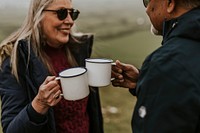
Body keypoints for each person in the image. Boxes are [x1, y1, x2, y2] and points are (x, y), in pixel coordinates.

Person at [0, 0, 103, 133]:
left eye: (73, 13)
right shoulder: (17, 60)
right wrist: (39, 104)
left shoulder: (77, 50)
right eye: (61, 13)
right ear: (38, 15)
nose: (70, 21)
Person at [112, 0, 200, 132]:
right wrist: (145, 81)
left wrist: (159, 75)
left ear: (170, 3)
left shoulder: (165, 65)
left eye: (147, 1)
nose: (146, 9)